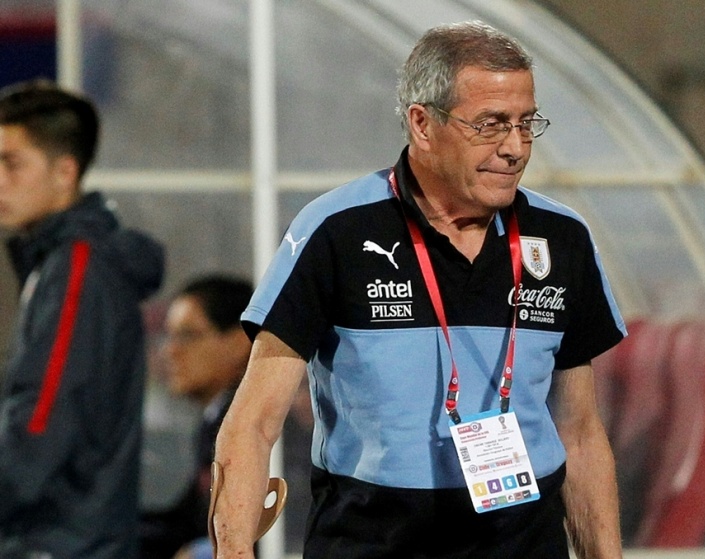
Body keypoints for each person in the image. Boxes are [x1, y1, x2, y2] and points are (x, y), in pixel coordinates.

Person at [212, 21, 626, 559]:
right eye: (490, 125)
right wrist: (234, 549)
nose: (515, 148)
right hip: (369, 544)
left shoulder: (562, 237)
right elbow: (253, 423)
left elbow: (580, 431)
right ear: (422, 124)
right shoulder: (336, 231)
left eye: (526, 123)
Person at [0, 80, 165, 558]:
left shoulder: (77, 266)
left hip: (63, 544)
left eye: (12, 163)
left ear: (65, 172)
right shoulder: (60, 261)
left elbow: (43, 417)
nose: (0, 180)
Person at [140, 274, 313, 559]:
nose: (170, 350)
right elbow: (185, 522)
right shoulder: (213, 419)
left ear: (238, 342)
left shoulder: (262, 430)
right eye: (167, 336)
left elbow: (277, 531)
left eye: (187, 335)